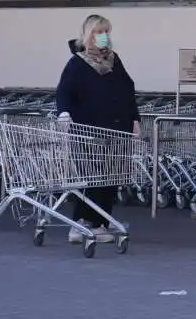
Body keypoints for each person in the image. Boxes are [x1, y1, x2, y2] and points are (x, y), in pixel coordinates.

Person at [56, 14, 141, 244]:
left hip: (115, 129)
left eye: (106, 32)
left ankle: (101, 222)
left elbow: (128, 91)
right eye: (99, 32)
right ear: (88, 35)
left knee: (109, 178)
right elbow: (64, 91)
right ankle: (80, 222)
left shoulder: (114, 60)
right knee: (90, 177)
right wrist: (64, 112)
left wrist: (135, 119)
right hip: (89, 130)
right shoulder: (79, 62)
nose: (104, 37)